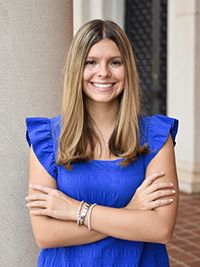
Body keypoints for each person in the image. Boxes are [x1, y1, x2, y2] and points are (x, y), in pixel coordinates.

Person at [25, 19, 179, 267]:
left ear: (127, 67)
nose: (104, 72)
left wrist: (76, 211)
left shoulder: (156, 136)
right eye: (91, 62)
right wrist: (131, 212)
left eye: (115, 62)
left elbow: (160, 229)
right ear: (77, 68)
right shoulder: (47, 138)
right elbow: (46, 235)